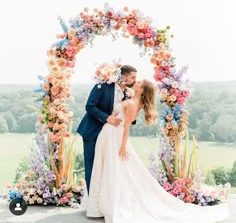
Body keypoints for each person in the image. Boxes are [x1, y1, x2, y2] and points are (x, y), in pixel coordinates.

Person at [85, 79, 229, 223]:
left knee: (115, 167)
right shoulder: (132, 97)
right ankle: (102, 203)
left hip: (115, 137)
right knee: (108, 166)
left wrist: (122, 147)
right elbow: (125, 91)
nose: (136, 82)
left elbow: (126, 127)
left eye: (139, 84)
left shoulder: (132, 104)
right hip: (109, 134)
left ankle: (112, 202)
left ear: (141, 90)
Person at [77, 65, 137, 194]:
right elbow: (90, 106)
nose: (135, 80)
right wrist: (107, 118)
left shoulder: (128, 93)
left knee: (107, 167)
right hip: (92, 131)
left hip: (111, 135)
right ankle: (92, 201)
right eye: (133, 77)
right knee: (92, 166)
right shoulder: (103, 86)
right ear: (124, 77)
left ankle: (104, 200)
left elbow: (129, 117)